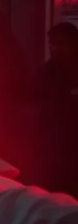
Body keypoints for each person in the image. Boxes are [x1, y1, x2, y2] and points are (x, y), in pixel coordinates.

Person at [36, 22, 78, 195]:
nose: (53, 48)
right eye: (51, 44)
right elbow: (33, 103)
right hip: (54, 144)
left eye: (59, 43)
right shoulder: (47, 72)